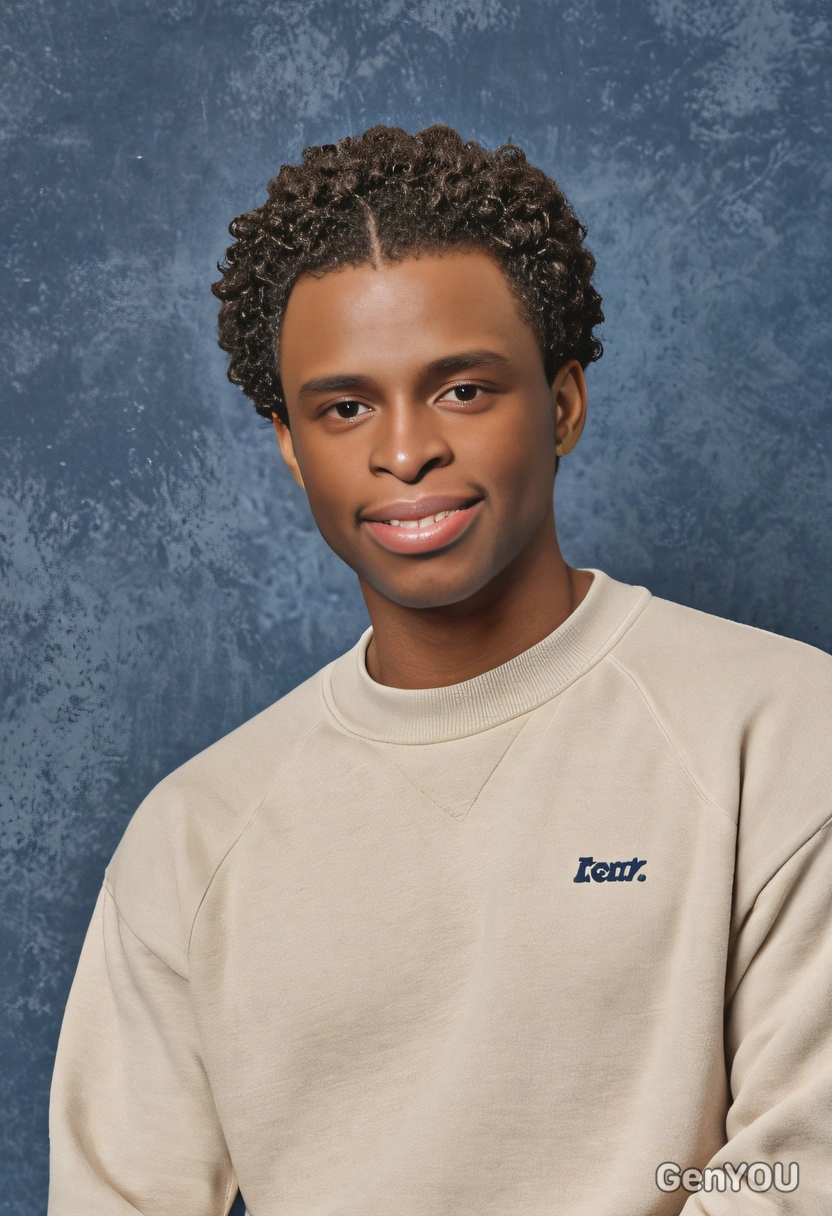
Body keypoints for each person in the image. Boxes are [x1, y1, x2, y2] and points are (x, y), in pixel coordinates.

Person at [48, 124, 832, 1214]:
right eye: (345, 406)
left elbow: (802, 1173)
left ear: (561, 404)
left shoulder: (782, 728)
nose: (404, 451)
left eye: (462, 389)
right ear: (289, 443)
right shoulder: (194, 834)